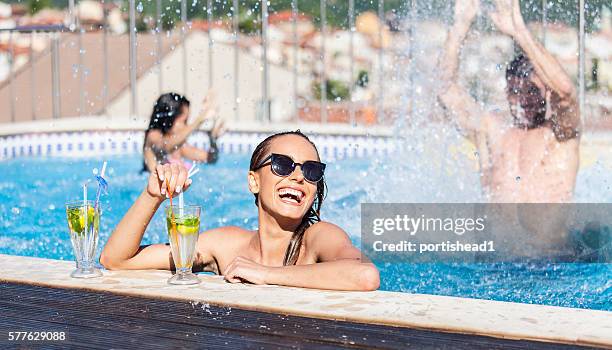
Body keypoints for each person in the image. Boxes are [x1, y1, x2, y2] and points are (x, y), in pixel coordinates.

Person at [101, 131, 380, 291]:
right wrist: (153, 196)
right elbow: (117, 259)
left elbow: (365, 275)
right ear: (253, 181)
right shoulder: (227, 244)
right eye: (282, 165)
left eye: (311, 170)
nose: (298, 177)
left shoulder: (319, 237)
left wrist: (265, 274)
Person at [438, 0, 580, 203]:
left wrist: (518, 31)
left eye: (532, 90)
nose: (524, 99)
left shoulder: (561, 134)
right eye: (516, 91)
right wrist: (460, 25)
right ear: (507, 93)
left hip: (547, 237)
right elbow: (444, 91)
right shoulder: (492, 132)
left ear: (547, 92)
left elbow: (566, 92)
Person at [142, 91, 225, 173]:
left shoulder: (179, 147)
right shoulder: (152, 136)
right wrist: (199, 120)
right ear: (169, 120)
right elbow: (166, 146)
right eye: (184, 121)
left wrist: (213, 139)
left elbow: (211, 159)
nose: (186, 126)